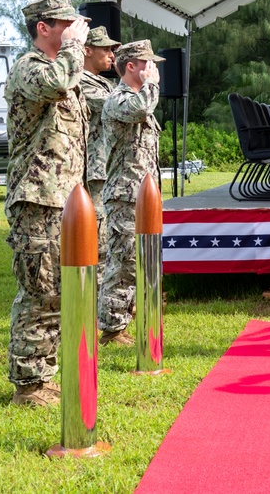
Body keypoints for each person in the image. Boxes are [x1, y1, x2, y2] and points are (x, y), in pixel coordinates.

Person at [5, 0, 90, 406]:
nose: (75, 31)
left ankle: (45, 373)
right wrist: (74, 48)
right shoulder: (29, 68)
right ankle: (29, 384)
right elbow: (56, 82)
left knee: (58, 290)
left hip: (63, 201)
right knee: (39, 292)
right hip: (37, 200)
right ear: (44, 27)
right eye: (67, 24)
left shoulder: (67, 72)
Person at [98, 40, 165, 345]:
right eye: (147, 65)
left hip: (142, 195)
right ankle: (112, 328)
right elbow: (139, 109)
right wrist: (151, 85)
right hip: (125, 194)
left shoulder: (139, 98)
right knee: (123, 262)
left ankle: (122, 321)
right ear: (131, 67)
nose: (152, 70)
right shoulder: (120, 99)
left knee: (136, 259)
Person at [80, 26, 120, 285]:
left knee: (108, 234)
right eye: (106, 49)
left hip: (108, 166)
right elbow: (118, 108)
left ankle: (103, 297)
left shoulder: (104, 82)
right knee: (98, 236)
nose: (112, 55)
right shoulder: (80, 81)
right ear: (86, 50)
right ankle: (95, 299)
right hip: (94, 168)